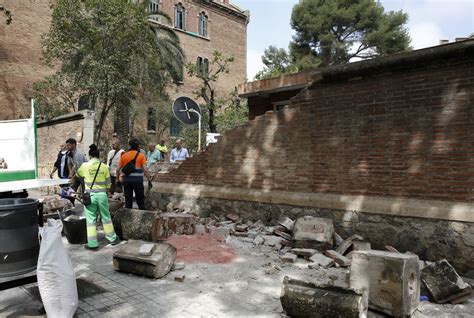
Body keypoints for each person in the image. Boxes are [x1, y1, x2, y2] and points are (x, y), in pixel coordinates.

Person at [77, 144, 119, 250]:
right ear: (99, 155)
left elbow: (78, 175)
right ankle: (112, 238)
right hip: (102, 196)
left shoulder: (84, 166)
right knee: (106, 217)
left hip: (89, 196)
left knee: (91, 220)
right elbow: (109, 184)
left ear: (90, 155)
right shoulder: (104, 167)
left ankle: (93, 244)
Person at [118, 138, 151, 210]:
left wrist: (119, 178)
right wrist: (149, 180)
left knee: (128, 201)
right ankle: (143, 217)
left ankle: (128, 217)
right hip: (138, 181)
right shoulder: (141, 156)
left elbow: (118, 169)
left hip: (127, 181)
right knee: (140, 201)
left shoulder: (124, 156)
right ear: (137, 146)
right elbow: (145, 169)